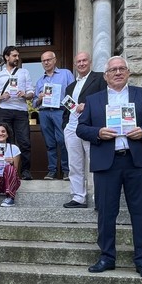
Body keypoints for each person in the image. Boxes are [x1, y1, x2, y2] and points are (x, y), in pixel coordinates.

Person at [76, 56, 142, 280]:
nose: (117, 72)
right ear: (105, 76)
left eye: (121, 69)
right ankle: (107, 257)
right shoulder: (94, 99)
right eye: (113, 70)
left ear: (128, 72)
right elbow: (81, 128)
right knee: (106, 212)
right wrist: (98, 133)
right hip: (108, 162)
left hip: (137, 162)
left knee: (140, 212)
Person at [62, 52, 107, 208]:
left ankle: (99, 199)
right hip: (72, 128)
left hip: (90, 127)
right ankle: (78, 197)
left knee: (94, 163)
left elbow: (106, 99)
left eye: (84, 61)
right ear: (75, 65)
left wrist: (87, 106)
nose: (81, 64)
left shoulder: (100, 78)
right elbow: (67, 108)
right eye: (78, 61)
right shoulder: (70, 86)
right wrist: (65, 125)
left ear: (90, 62)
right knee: (74, 164)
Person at [0, 46, 34, 181]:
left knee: (24, 142)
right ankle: (2, 171)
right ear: (6, 57)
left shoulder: (24, 72)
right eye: (14, 56)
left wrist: (25, 95)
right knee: (3, 141)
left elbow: (31, 93)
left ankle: (25, 171)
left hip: (21, 111)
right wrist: (2, 97)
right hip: (4, 110)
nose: (17, 58)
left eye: (17, 56)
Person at [34, 51, 75, 180]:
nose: (46, 62)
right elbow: (34, 103)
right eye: (43, 61)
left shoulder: (66, 74)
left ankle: (66, 170)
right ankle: (52, 170)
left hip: (60, 111)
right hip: (45, 112)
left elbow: (73, 92)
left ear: (54, 60)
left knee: (63, 140)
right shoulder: (40, 81)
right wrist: (40, 98)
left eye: (48, 59)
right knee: (49, 143)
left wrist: (73, 111)